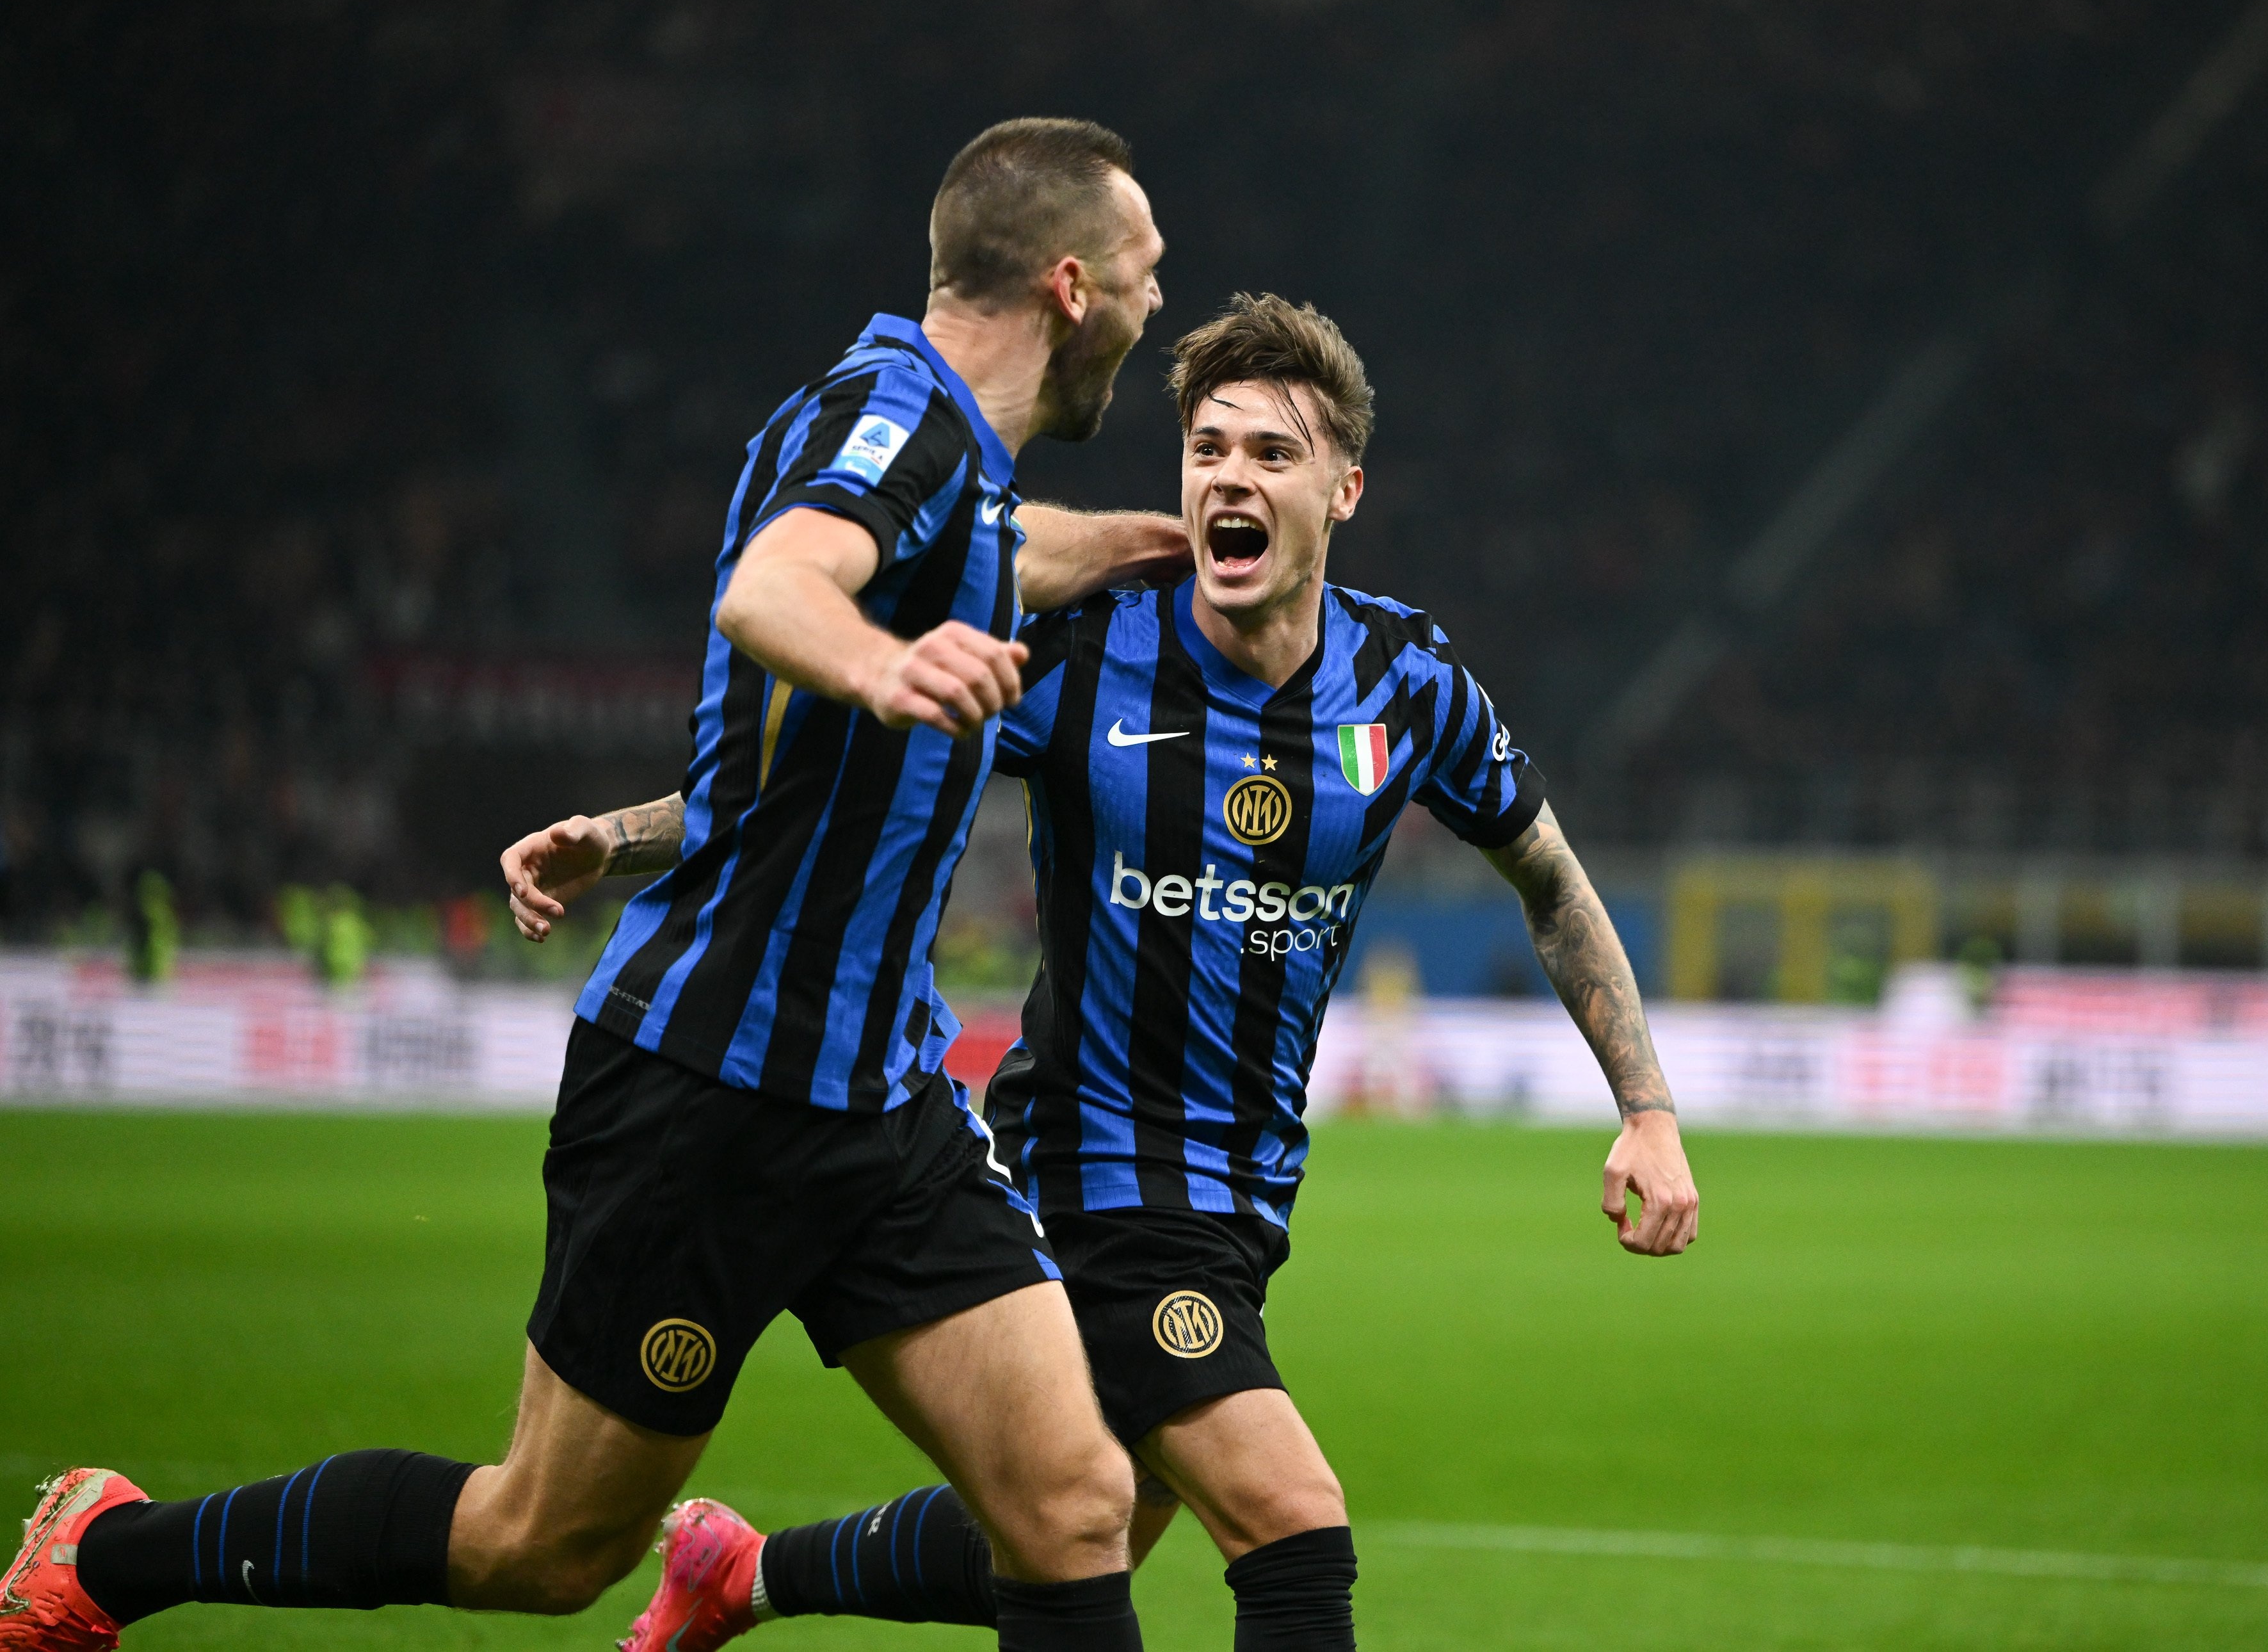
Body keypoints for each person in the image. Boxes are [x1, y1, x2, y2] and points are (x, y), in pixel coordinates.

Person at [0, 117, 1193, 1652]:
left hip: (878, 1102)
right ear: (1072, 285)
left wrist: (1138, 547)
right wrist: (883, 665)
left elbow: (983, 559)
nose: (1159, 304)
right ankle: (110, 1552)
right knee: (544, 1546)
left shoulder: (940, 460)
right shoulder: (897, 422)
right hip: (712, 1090)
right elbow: (774, 587)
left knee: (1075, 1503)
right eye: (1149, 272)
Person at [502, 294, 1701, 1651]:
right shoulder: (1091, 655)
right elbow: (831, 770)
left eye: (1273, 452)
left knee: (1089, 1521)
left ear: (1344, 490)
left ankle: (744, 1576)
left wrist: (1646, 1106)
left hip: (1245, 1188)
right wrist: (619, 838)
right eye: (1207, 448)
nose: (1230, 477)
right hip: (1091, 1166)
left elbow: (1551, 879)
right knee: (1291, 1519)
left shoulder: (1406, 681)